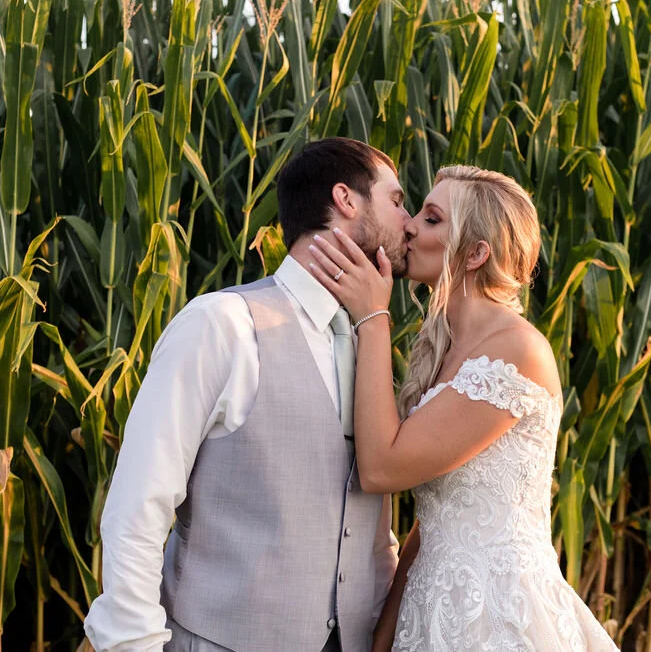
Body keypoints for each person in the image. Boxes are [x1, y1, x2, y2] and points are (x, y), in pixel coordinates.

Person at [84, 138, 411, 652]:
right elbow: (139, 503)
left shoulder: (368, 341)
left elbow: (368, 525)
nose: (409, 222)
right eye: (396, 201)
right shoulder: (220, 324)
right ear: (347, 200)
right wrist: (133, 644)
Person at [308, 165, 621, 651]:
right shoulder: (444, 347)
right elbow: (439, 517)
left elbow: (381, 468)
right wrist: (386, 628)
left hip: (497, 615)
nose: (409, 224)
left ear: (476, 253)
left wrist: (372, 317)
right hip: (430, 608)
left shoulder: (517, 352)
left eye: (431, 219)